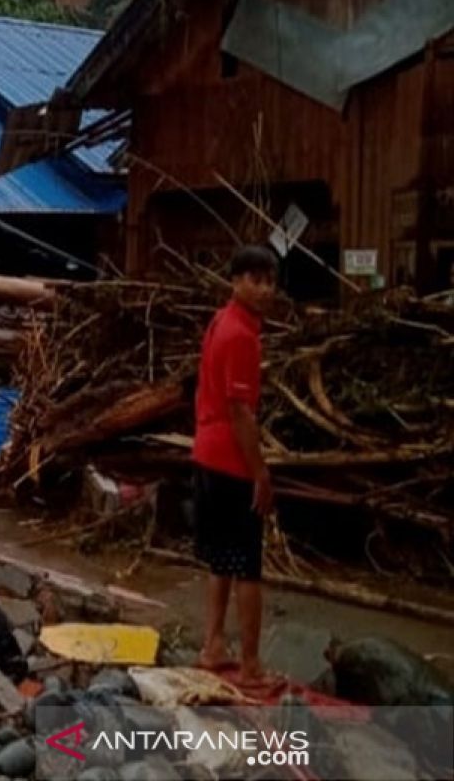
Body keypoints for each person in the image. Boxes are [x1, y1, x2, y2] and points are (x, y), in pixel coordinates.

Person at [192, 244, 278, 685]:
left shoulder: (221, 322)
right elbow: (241, 410)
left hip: (206, 452)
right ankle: (250, 665)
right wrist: (260, 473)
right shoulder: (240, 335)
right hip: (230, 460)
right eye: (255, 280)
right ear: (236, 280)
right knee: (247, 565)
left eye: (269, 281)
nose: (264, 289)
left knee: (221, 560)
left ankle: (213, 645)